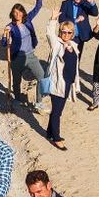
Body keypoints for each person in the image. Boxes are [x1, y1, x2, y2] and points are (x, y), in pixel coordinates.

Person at [0, 0, 44, 108]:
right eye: (15, 13)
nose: (18, 15)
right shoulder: (10, 27)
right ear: (12, 14)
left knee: (41, 76)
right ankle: (17, 99)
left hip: (30, 55)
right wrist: (4, 34)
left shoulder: (27, 20)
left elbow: (37, 8)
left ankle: (38, 102)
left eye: (19, 12)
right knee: (16, 81)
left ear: (23, 13)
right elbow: (4, 44)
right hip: (17, 58)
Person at [44, 21, 79, 150]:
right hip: (57, 83)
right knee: (57, 112)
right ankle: (56, 138)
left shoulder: (73, 45)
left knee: (57, 110)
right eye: (63, 31)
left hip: (67, 84)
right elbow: (49, 34)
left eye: (69, 32)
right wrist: (52, 20)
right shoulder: (57, 44)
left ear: (72, 34)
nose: (66, 34)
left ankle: (49, 132)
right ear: (60, 32)